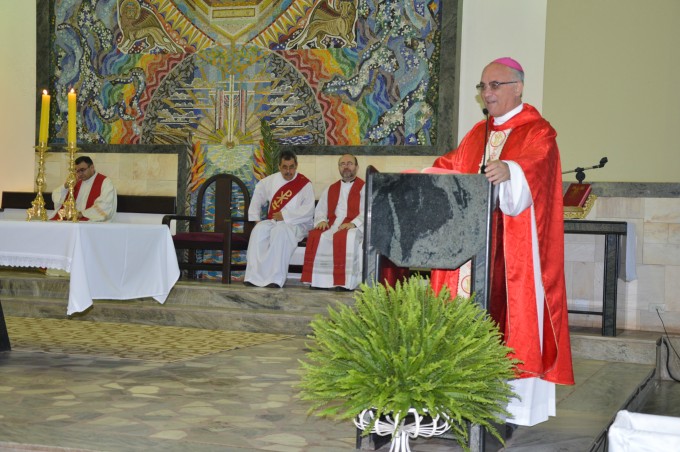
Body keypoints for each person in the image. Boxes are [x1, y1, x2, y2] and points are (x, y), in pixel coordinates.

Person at [430, 57, 574, 426]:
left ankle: (513, 407)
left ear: (518, 88)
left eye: (495, 85)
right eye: (483, 86)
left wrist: (511, 171)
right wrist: (420, 176)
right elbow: (451, 165)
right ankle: (460, 396)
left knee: (514, 320)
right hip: (470, 252)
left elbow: (536, 170)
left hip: (515, 253)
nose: (487, 93)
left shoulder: (538, 131)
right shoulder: (477, 134)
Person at [244, 150, 315, 288]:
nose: (288, 171)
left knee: (281, 232)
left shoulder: (305, 184)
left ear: (296, 166)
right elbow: (258, 194)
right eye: (285, 167)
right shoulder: (270, 180)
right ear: (279, 166)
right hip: (274, 221)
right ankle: (253, 276)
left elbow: (308, 210)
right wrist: (256, 219)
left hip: (298, 224)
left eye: (291, 167)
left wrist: (286, 216)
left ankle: (275, 278)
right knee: (258, 231)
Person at [301, 154, 365, 291]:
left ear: (357, 167)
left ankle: (344, 282)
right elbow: (320, 209)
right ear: (339, 168)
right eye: (343, 164)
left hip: (354, 226)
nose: (346, 166)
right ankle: (319, 281)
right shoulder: (331, 188)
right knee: (317, 235)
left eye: (350, 163)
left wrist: (353, 223)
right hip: (333, 224)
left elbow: (367, 211)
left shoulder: (364, 187)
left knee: (347, 236)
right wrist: (322, 220)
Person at [51, 156, 117, 222]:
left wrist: (81, 214)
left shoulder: (105, 182)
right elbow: (57, 199)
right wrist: (66, 186)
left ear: (92, 167)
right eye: (77, 171)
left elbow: (105, 206)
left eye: (82, 170)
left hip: (93, 224)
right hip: (73, 222)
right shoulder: (76, 181)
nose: (79, 174)